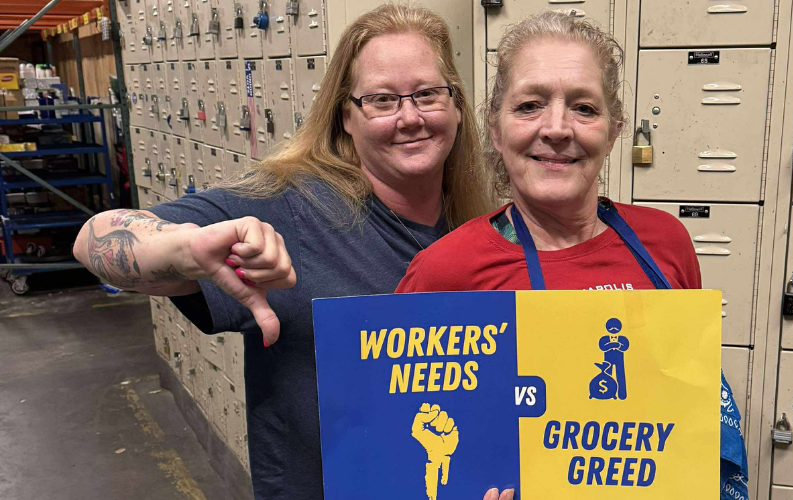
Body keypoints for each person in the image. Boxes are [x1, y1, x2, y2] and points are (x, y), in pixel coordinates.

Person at [72, 4, 494, 499]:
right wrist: (186, 247)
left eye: (427, 94)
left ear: (458, 107)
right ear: (346, 118)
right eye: (381, 100)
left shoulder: (480, 231)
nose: (410, 116)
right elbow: (93, 239)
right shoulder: (289, 210)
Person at [395, 11, 749, 500]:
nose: (557, 128)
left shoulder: (664, 243)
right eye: (530, 105)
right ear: (496, 130)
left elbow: (691, 409)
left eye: (584, 108)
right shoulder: (445, 270)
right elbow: (405, 447)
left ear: (614, 129)